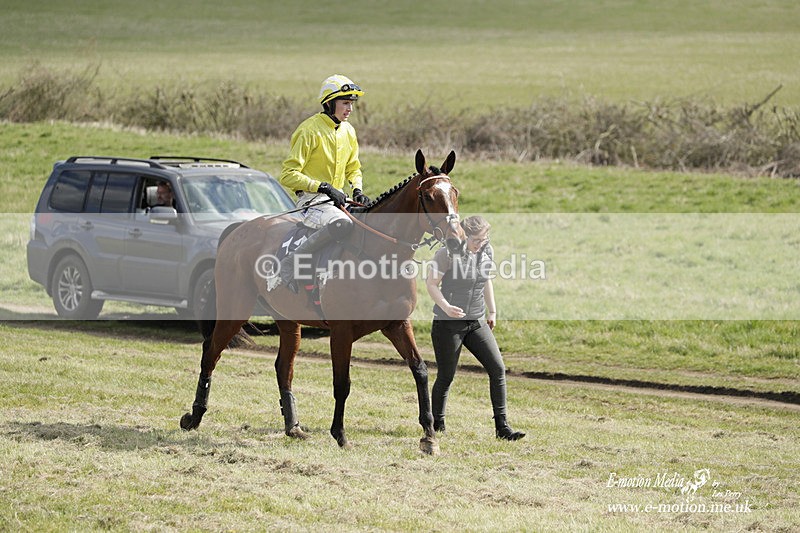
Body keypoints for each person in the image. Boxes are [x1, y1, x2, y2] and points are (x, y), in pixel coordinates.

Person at [425, 215, 525, 441]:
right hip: (448, 324)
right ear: (464, 235)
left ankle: (502, 428)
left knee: (497, 368)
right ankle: (437, 424)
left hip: (476, 321)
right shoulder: (447, 254)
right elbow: (431, 284)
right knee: (447, 376)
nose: (481, 243)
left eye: (484, 239)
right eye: (476, 240)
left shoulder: (486, 251)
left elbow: (486, 279)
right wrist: (446, 306)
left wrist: (492, 311)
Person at [274, 74, 370, 290]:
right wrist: (323, 187)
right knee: (343, 224)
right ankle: (291, 263)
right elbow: (288, 174)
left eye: (352, 103)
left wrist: (357, 189)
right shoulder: (308, 130)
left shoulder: (349, 131)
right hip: (311, 201)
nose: (350, 109)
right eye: (345, 103)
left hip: (337, 201)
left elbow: (353, 167)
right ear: (329, 103)